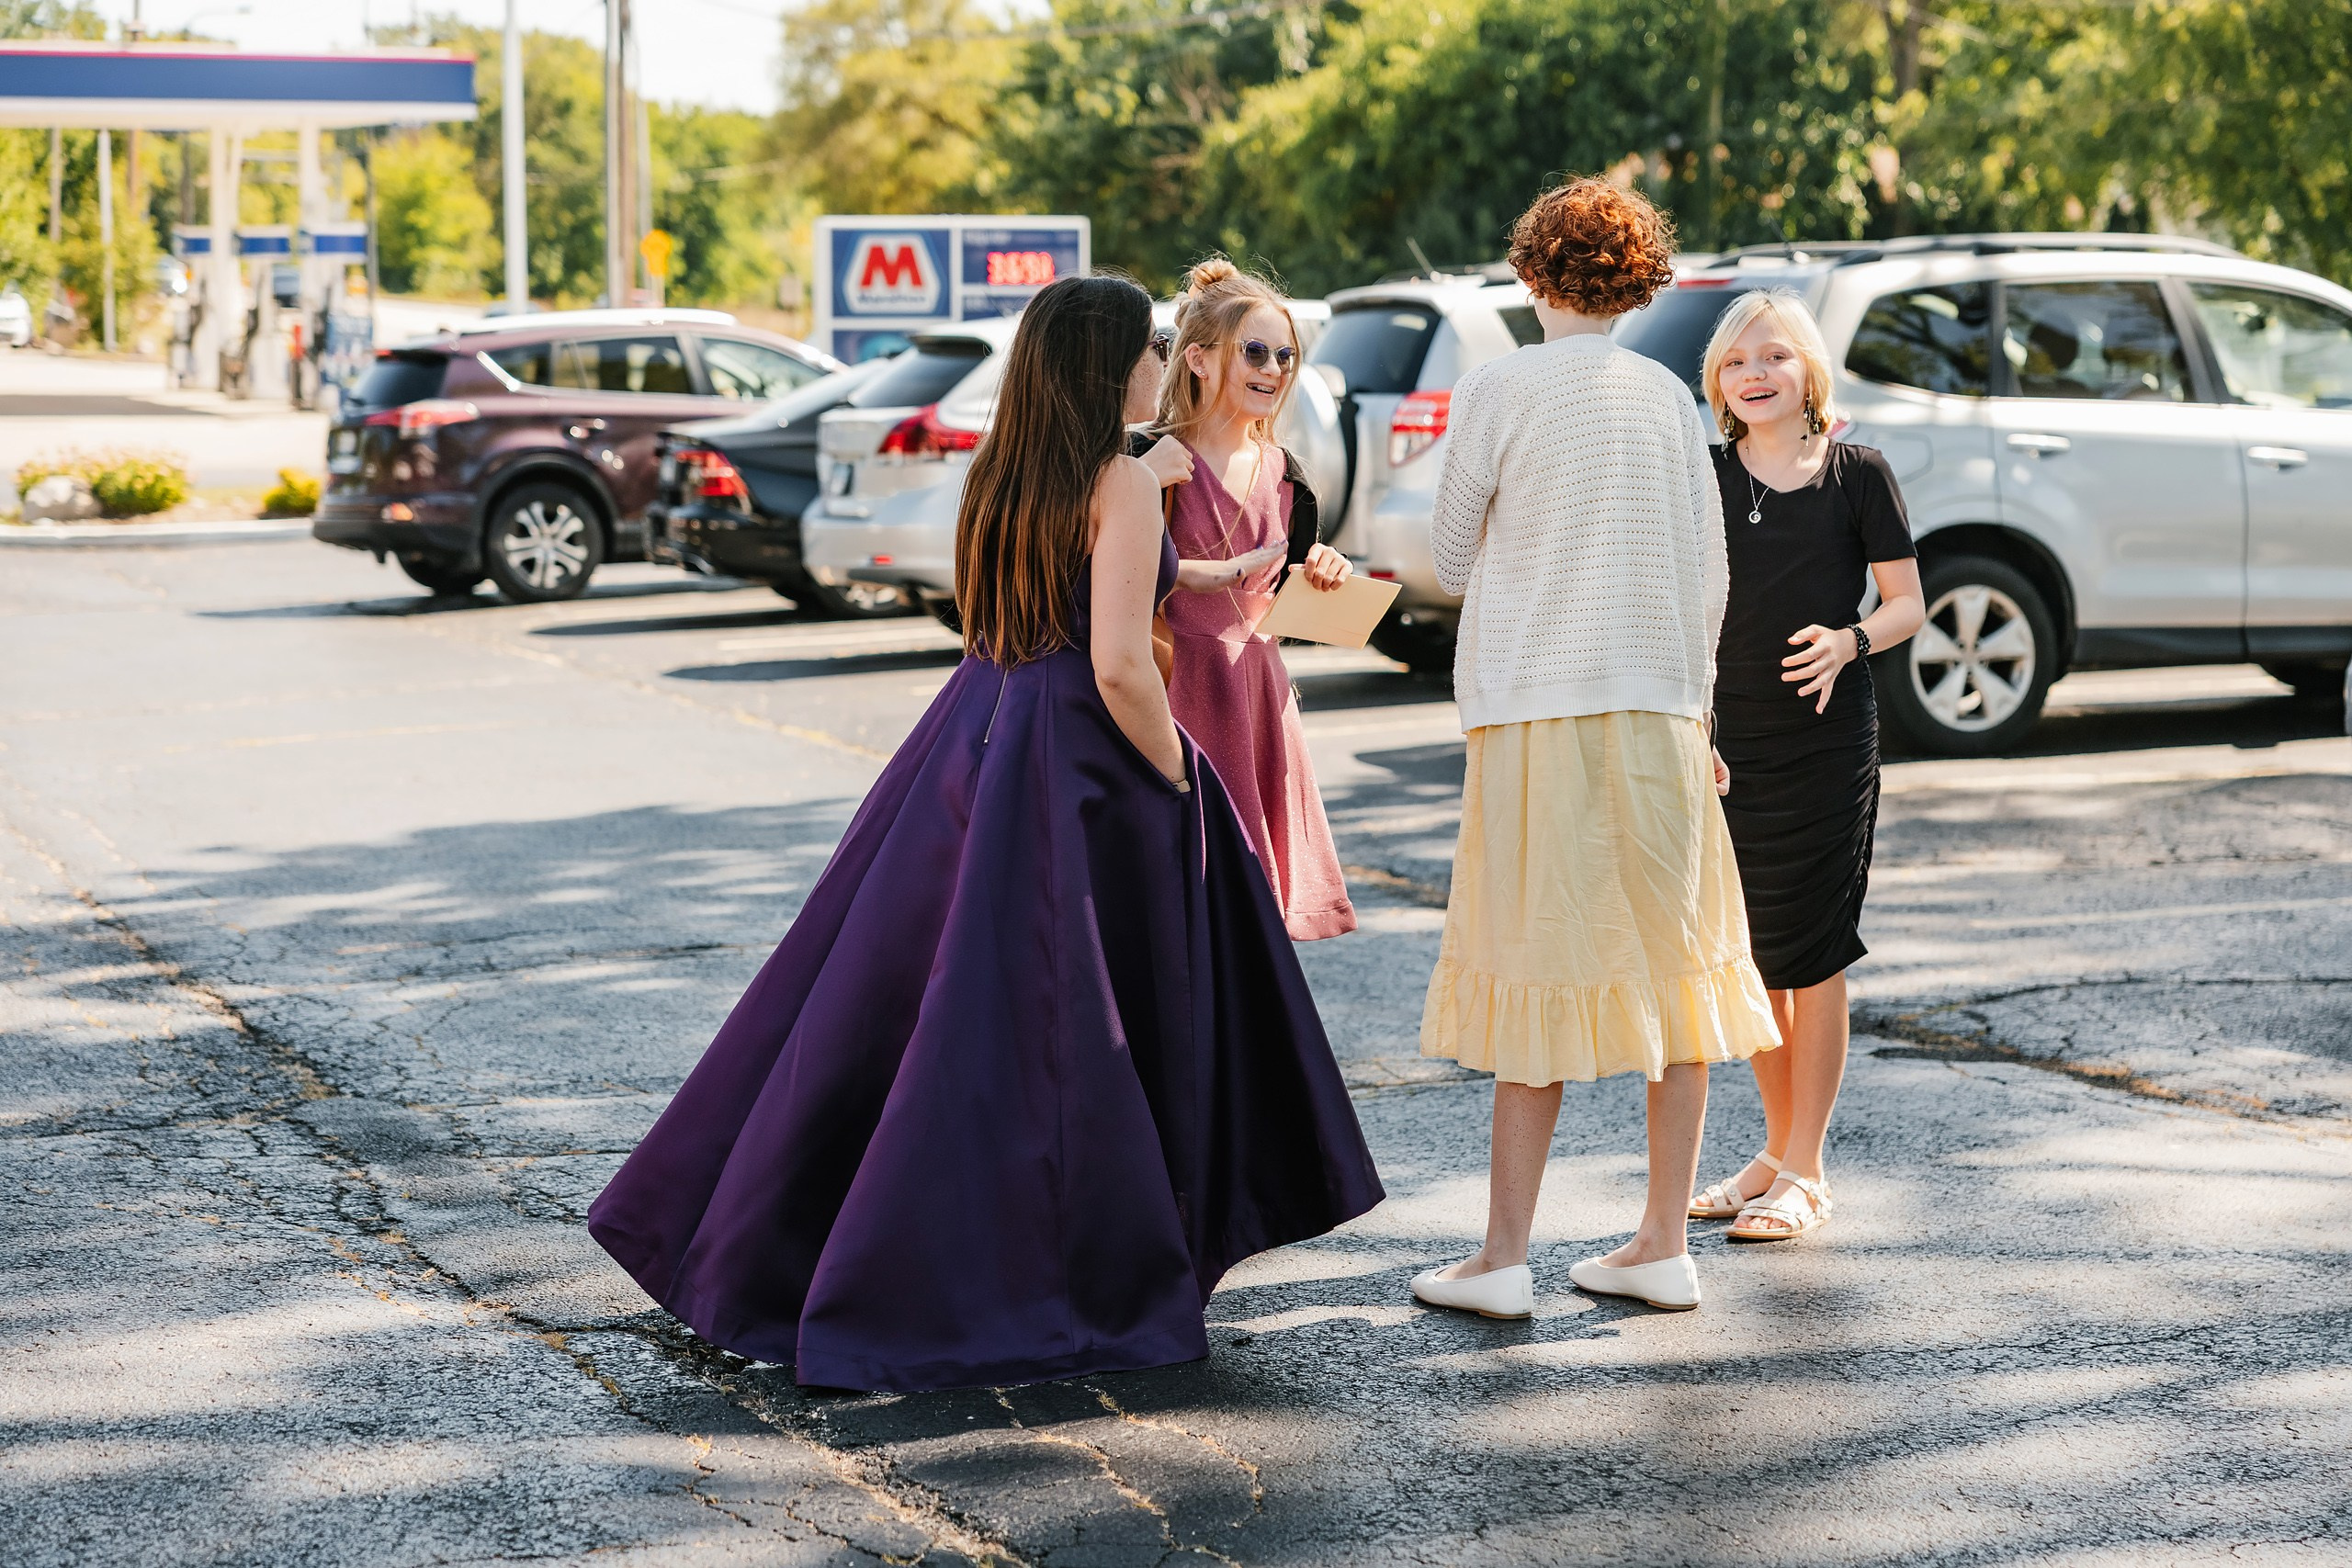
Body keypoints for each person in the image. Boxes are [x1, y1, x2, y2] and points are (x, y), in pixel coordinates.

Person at [587, 275, 1384, 1393]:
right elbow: (1120, 662)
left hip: (978, 726)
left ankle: (797, 1249)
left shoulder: (1004, 471)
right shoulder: (1119, 478)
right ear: (1108, 364)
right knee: (1069, 1032)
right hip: (1079, 756)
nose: (1162, 361)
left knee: (909, 1011)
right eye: (1149, 345)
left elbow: (1008, 614)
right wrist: (1175, 772)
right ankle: (1051, 1276)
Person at [1408, 179, 1781, 1320]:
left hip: (1535, 712)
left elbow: (1449, 558)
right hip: (1661, 713)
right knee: (1679, 971)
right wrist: (1698, 715)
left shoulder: (1498, 386)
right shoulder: (1666, 395)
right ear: (1637, 286)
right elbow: (1711, 578)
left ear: (1529, 273)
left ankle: (1501, 1259)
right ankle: (1662, 1245)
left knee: (1536, 964)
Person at [1688, 289, 1925, 1242]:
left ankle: (1807, 1171)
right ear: (1718, 381)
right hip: (1728, 744)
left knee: (1815, 951)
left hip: (1828, 743)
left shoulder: (1858, 473)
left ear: (1809, 371)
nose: (1756, 373)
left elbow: (1906, 603)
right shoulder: (1703, 476)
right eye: (1738, 360)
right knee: (1752, 953)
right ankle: (1774, 1152)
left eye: (1775, 356)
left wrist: (1848, 640)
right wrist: (1694, 724)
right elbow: (1683, 613)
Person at [1143, 257, 1358, 940]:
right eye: (1255, 352)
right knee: (1178, 903)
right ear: (1199, 359)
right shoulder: (1149, 459)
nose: (1274, 369)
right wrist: (1144, 487)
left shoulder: (1289, 477)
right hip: (1174, 690)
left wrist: (1325, 569)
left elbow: (1290, 593)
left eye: (1286, 355)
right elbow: (1092, 576)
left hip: (1259, 696)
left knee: (1254, 917)